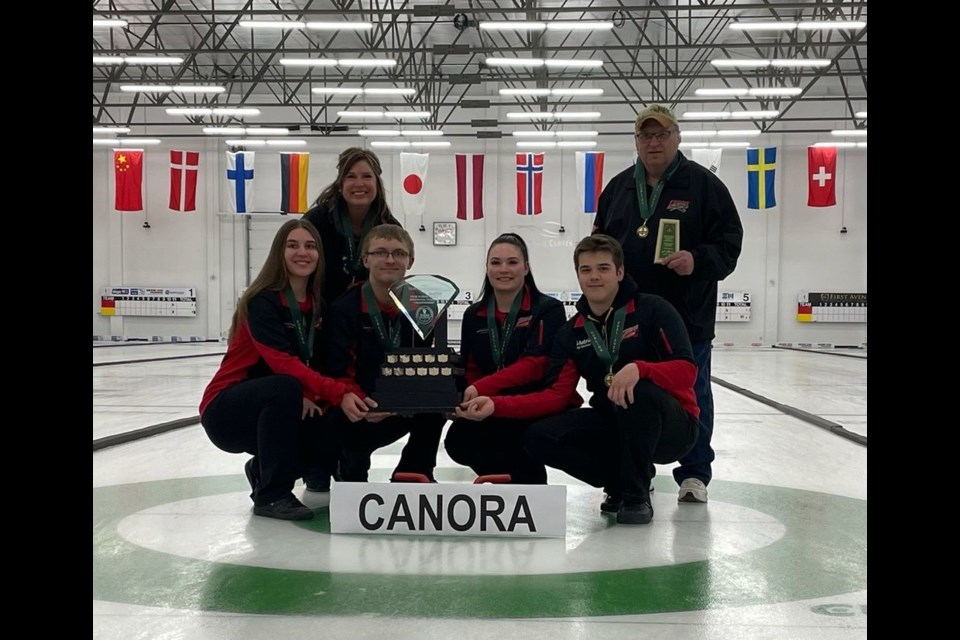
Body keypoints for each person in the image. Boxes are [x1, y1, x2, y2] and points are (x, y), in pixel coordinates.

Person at [458, 235, 700, 525]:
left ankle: (636, 496)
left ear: (620, 272)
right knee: (539, 436)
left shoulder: (654, 310)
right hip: (611, 421)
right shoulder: (573, 331)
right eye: (586, 270)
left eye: (603, 268)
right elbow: (557, 396)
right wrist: (495, 405)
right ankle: (617, 483)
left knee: (640, 393)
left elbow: (687, 371)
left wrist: (640, 369)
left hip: (671, 427)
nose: (594, 276)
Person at [593, 103, 743, 504]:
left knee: (693, 391)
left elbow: (729, 244)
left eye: (662, 134)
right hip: (628, 319)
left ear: (677, 138)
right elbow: (600, 245)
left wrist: (698, 259)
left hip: (686, 316)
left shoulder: (704, 186)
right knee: (623, 395)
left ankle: (694, 474)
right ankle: (626, 477)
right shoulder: (619, 188)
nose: (654, 142)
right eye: (646, 135)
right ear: (636, 141)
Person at [198, 219, 349, 520]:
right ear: (279, 252)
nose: (302, 252)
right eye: (292, 245)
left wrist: (317, 396)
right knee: (285, 387)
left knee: (327, 423)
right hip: (227, 412)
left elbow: (311, 362)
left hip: (279, 404)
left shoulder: (319, 306)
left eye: (310, 246)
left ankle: (262, 470)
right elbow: (280, 361)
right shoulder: (262, 302)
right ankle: (272, 495)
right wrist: (330, 392)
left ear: (320, 255)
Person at [301, 147, 402, 491]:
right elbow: (300, 264)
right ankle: (317, 462)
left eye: (366, 176)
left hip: (359, 321)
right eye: (351, 176)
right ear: (340, 181)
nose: (359, 184)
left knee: (358, 387)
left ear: (377, 182)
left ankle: (354, 456)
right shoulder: (317, 221)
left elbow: (394, 274)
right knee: (321, 391)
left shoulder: (388, 223)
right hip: (320, 319)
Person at [445, 233, 573, 484]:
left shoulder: (548, 310)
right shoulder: (474, 314)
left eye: (512, 262)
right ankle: (507, 483)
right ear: (487, 268)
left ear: (526, 267)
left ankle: (526, 487)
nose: (504, 269)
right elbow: (470, 366)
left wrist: (482, 388)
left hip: (531, 403)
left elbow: (536, 365)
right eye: (496, 262)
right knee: (459, 440)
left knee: (521, 438)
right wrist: (464, 399)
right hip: (491, 401)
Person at [322, 224, 446, 482]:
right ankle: (348, 465)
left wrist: (402, 397)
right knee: (352, 475)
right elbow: (336, 370)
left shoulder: (423, 307)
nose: (390, 259)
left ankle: (413, 471)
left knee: (439, 395)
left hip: (399, 403)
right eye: (380, 252)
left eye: (398, 253)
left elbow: (420, 364)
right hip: (357, 405)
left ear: (410, 261)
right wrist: (359, 401)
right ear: (365, 259)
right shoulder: (343, 309)